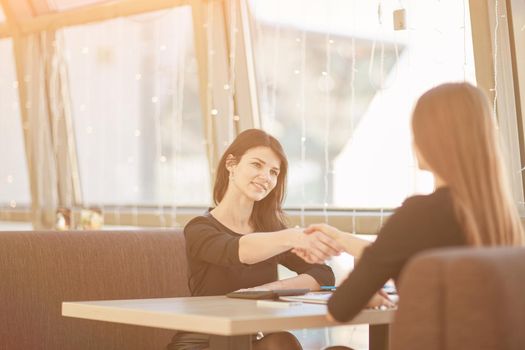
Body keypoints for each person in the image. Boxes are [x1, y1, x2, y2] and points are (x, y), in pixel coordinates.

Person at [296, 82, 525, 328]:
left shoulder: (419, 214)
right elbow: (401, 253)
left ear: (432, 141)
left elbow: (339, 309)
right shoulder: (502, 221)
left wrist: (364, 291)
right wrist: (342, 240)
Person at [167, 128, 343, 350]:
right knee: (280, 343)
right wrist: (291, 236)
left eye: (273, 172)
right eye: (257, 165)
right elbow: (236, 251)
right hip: (203, 343)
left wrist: (270, 289)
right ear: (231, 164)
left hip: (252, 343)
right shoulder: (200, 229)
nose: (266, 177)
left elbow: (323, 274)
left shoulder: (270, 231)